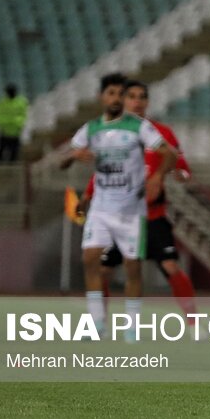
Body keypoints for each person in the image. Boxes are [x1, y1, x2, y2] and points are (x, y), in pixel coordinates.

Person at [61, 73, 176, 338]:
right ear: (102, 97)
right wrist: (73, 156)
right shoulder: (90, 129)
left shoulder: (138, 127)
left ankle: (132, 325)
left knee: (132, 267)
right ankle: (96, 322)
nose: (115, 98)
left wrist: (157, 177)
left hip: (131, 211)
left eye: (119, 94)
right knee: (89, 259)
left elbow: (168, 152)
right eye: (110, 93)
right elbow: (63, 160)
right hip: (101, 209)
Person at [79, 80, 197, 318]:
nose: (137, 101)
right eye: (131, 96)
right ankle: (99, 323)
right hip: (116, 213)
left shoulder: (163, 133)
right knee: (102, 270)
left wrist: (178, 174)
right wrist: (88, 195)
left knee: (171, 266)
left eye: (142, 97)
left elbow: (180, 165)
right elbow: (103, 169)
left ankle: (194, 322)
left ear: (147, 102)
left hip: (152, 216)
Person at [0, 83, 28, 162]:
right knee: (0, 153)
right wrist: (11, 121)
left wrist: (13, 122)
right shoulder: (1, 103)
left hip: (15, 132)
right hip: (5, 132)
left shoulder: (21, 102)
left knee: (14, 154)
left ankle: (11, 170)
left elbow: (23, 115)